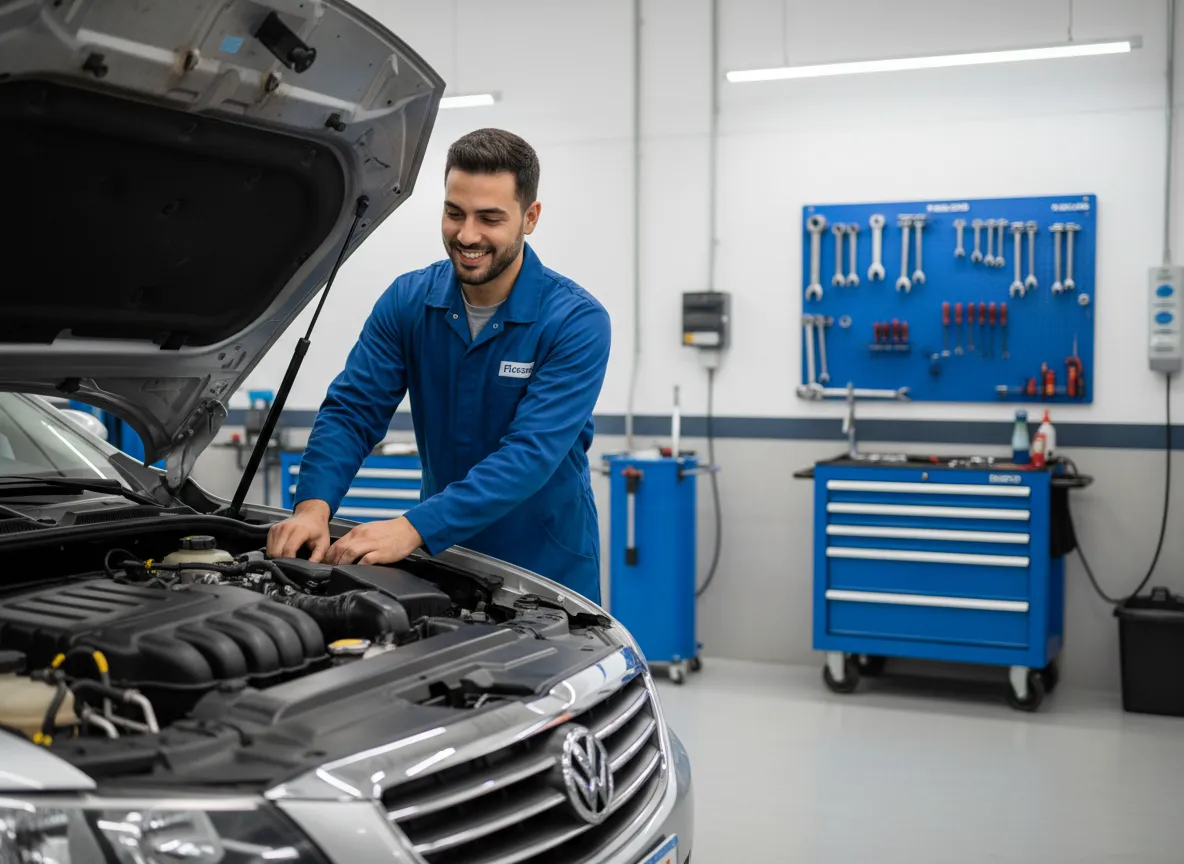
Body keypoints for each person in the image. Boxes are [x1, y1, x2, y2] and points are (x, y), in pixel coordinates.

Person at [267, 128, 611, 604]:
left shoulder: (575, 321)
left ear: (530, 217)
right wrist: (313, 506)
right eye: (454, 213)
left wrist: (411, 527)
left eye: (489, 218)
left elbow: (529, 455)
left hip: (544, 570)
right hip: (444, 557)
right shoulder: (409, 302)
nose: (467, 235)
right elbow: (353, 411)